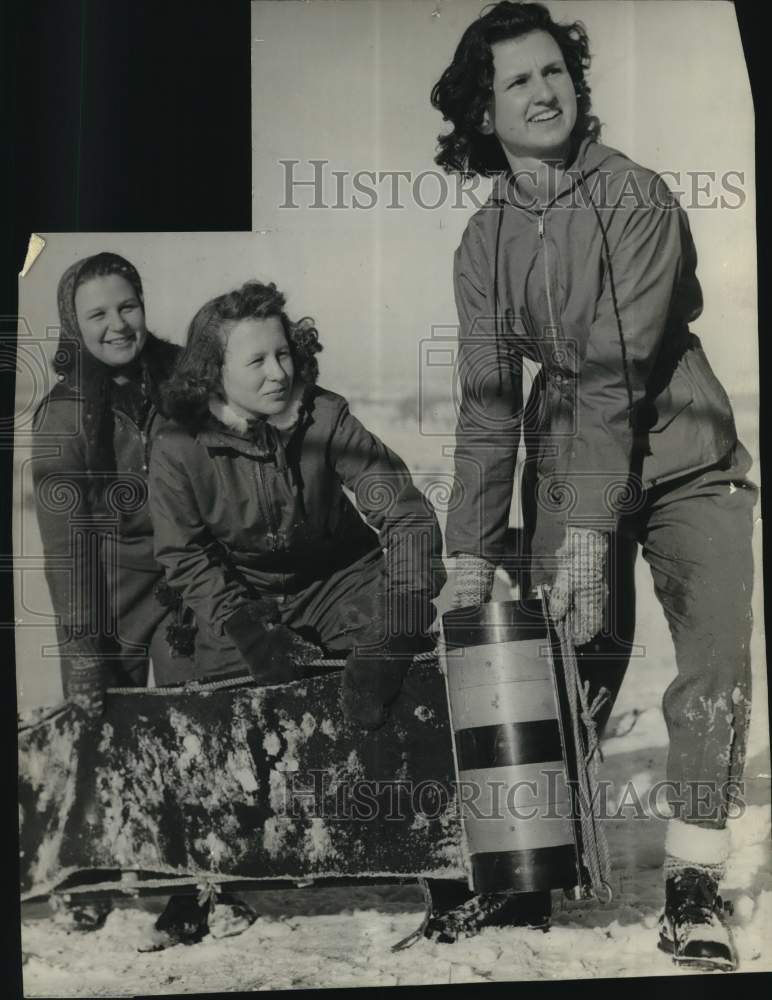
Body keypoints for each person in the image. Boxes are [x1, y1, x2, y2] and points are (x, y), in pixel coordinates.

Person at [428, 1, 756, 970]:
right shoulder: (481, 246)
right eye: (516, 80)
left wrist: (581, 535)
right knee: (568, 664)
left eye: (552, 70)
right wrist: (471, 551)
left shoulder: (638, 197)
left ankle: (693, 878)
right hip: (569, 461)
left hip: (689, 460)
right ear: (483, 112)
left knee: (711, 673)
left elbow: (615, 375)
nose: (542, 91)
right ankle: (524, 860)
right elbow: (489, 407)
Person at [31, 252, 249, 948]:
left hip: (185, 579)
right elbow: (67, 551)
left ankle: (200, 885)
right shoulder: (64, 414)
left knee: (195, 725)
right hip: (110, 586)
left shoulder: (189, 380)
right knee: (103, 732)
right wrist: (85, 654)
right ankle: (88, 871)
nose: (117, 324)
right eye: (97, 314)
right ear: (75, 324)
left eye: (126, 306)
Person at [149, 279, 444, 734]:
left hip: (340, 583)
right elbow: (183, 553)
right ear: (214, 372)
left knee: (399, 699)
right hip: (245, 596)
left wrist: (400, 618)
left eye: (282, 353)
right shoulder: (177, 444)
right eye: (257, 361)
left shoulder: (324, 417)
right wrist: (245, 627)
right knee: (234, 723)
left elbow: (405, 513)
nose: (279, 373)